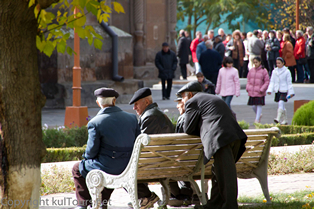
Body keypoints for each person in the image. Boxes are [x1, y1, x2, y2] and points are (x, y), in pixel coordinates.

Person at [177, 81, 247, 209]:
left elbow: (188, 128)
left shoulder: (192, 101)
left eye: (182, 97)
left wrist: (184, 114)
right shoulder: (212, 98)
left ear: (190, 94)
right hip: (235, 137)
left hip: (220, 139)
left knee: (226, 176)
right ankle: (214, 204)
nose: (182, 101)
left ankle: (230, 205)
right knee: (218, 172)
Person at [72, 88, 141, 209]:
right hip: (130, 165)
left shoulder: (95, 122)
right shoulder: (132, 118)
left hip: (109, 166)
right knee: (105, 165)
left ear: (98, 103)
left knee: (77, 168)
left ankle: (82, 204)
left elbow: (91, 152)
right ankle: (102, 202)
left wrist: (86, 159)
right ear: (114, 101)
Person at [129, 87, 174, 208]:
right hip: (165, 161)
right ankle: (144, 196)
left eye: (136, 104)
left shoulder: (150, 116)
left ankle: (146, 197)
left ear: (147, 102)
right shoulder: (154, 113)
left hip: (158, 164)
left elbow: (141, 146)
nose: (134, 108)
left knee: (121, 165)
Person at [168, 94, 198, 207]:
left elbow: (178, 146)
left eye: (179, 102)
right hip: (203, 163)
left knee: (170, 162)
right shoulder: (202, 116)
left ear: (186, 102)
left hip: (187, 163)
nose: (177, 106)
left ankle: (178, 195)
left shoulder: (183, 119)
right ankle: (194, 194)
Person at [267, 57, 295, 125]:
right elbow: (272, 81)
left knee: (281, 102)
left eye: (279, 63)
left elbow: (289, 82)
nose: (278, 64)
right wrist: (270, 89)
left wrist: (291, 92)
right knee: (281, 104)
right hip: (277, 90)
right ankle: (285, 120)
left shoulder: (287, 71)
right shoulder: (274, 71)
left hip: (284, 89)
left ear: (283, 63)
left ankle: (278, 118)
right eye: (277, 63)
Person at [246, 57, 270, 123]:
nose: (255, 64)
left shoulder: (264, 71)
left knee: (259, 105)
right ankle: (258, 115)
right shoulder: (251, 70)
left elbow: (267, 81)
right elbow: (248, 80)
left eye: (256, 62)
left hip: (260, 91)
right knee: (253, 106)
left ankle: (257, 119)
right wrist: (248, 87)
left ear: (260, 62)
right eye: (254, 62)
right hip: (252, 91)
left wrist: (262, 89)